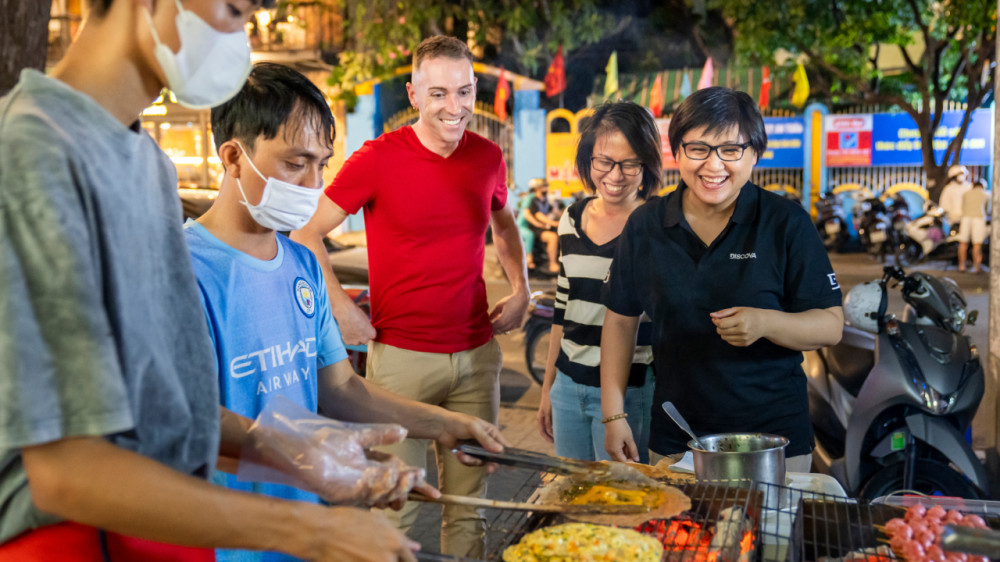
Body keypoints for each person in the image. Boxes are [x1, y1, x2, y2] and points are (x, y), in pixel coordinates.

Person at [0, 1, 419, 560]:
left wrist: (303, 453)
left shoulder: (146, 164)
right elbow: (66, 472)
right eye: (233, 10)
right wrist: (312, 531)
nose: (239, 38)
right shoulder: (33, 152)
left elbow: (163, 412)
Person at [188, 62, 509, 562]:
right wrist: (309, 453)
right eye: (297, 163)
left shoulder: (301, 266)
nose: (315, 184)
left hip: (311, 534)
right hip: (227, 542)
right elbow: (187, 420)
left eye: (322, 163)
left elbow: (338, 389)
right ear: (233, 156)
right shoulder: (183, 271)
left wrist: (443, 424)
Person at [290, 35, 529, 557]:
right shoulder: (377, 158)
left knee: (471, 506)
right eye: (439, 93)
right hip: (399, 362)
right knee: (399, 499)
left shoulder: (488, 157)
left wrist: (522, 290)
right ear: (414, 95)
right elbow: (305, 236)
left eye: (464, 92)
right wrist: (341, 308)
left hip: (477, 356)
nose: (455, 107)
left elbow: (504, 225)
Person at [600, 87, 844, 473]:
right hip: (680, 439)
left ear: (754, 155)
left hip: (774, 441)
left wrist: (766, 323)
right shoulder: (646, 225)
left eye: (730, 150)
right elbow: (619, 321)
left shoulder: (786, 223)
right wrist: (613, 416)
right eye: (698, 148)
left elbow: (831, 327)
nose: (713, 166)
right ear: (677, 152)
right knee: (681, 531)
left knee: (771, 535)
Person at [536, 102, 657, 463]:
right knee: (576, 502)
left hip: (630, 393)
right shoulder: (571, 219)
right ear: (589, 160)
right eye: (604, 161)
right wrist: (548, 388)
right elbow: (562, 310)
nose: (615, 175)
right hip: (568, 388)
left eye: (630, 163)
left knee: (624, 509)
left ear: (646, 165)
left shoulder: (656, 227)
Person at [957, 178, 990, 273]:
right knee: (977, 244)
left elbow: (963, 207)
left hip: (965, 218)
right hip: (978, 219)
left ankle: (961, 266)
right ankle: (976, 267)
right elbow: (987, 209)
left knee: (963, 243)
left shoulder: (966, 193)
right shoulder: (986, 194)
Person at [939, 165, 972, 231]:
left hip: (967, 218)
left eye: (963, 174)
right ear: (953, 176)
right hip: (952, 219)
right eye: (959, 174)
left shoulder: (969, 187)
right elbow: (944, 204)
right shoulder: (949, 188)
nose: (962, 176)